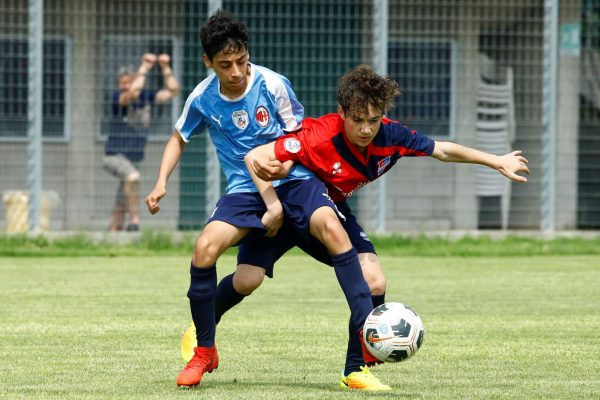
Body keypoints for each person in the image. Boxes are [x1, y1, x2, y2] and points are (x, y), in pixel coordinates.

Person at [237, 64, 530, 388]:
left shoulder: (392, 135)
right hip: (293, 206)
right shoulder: (319, 133)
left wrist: (497, 161)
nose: (366, 129)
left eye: (373, 120)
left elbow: (443, 150)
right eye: (358, 120)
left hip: (330, 211)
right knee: (246, 281)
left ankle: (355, 369)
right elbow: (265, 155)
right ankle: (203, 326)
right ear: (342, 112)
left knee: (375, 279)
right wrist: (274, 176)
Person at [144, 10, 375, 389]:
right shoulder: (202, 98)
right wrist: (160, 182)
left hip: (296, 181)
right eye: (224, 65)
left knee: (332, 229)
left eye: (241, 61)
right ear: (208, 62)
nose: (235, 72)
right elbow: (178, 137)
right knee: (213, 255)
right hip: (245, 192)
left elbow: (299, 138)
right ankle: (205, 349)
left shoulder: (273, 85)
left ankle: (361, 355)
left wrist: (279, 188)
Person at [104, 53, 180, 231]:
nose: (124, 85)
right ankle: (135, 222)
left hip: (133, 159)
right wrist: (144, 68)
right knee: (132, 177)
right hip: (114, 155)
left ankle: (114, 231)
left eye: (127, 81)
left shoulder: (146, 97)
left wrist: (165, 68)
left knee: (123, 196)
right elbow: (131, 95)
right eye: (121, 82)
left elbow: (173, 91)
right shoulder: (118, 99)